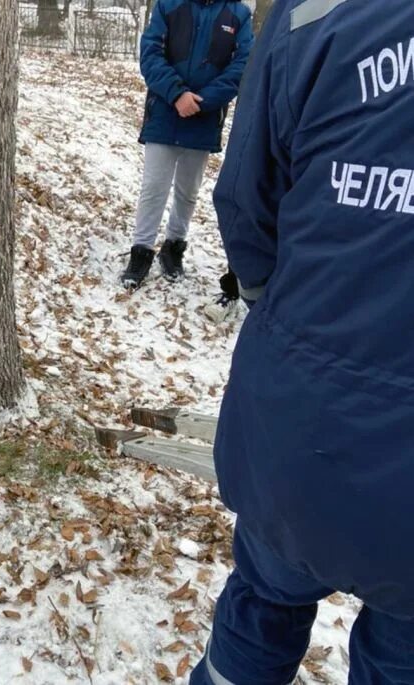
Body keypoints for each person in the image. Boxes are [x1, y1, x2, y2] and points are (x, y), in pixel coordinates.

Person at [191, 0, 414, 682]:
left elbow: (245, 199)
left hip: (297, 416)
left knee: (259, 604)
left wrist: (275, 307)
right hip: (316, 411)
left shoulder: (318, 13)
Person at [121, 0, 254, 296]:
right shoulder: (169, 5)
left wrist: (203, 100)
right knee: (154, 186)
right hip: (164, 111)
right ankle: (141, 252)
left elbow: (242, 65)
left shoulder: (239, 14)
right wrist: (177, 94)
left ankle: (174, 248)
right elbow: (151, 54)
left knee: (187, 191)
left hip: (204, 117)